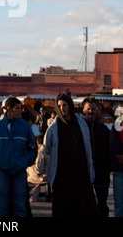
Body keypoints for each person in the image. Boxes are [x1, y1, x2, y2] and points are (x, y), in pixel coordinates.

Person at [43, 89, 98, 217]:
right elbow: (46, 150)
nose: (62, 108)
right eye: (60, 105)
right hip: (61, 175)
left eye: (65, 105)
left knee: (84, 207)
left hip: (81, 173)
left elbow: (87, 146)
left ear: (70, 105)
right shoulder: (53, 128)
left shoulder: (80, 123)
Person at [0, 97, 37, 217]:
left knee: (20, 206)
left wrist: (26, 162)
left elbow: (32, 147)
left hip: (20, 172)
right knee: (1, 207)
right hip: (2, 172)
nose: (20, 111)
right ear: (8, 109)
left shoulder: (25, 126)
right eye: (17, 108)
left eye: (21, 108)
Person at [81, 97, 111, 217]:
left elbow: (109, 149)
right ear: (83, 110)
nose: (91, 111)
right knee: (86, 203)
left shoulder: (103, 129)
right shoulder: (79, 129)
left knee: (102, 203)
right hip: (84, 171)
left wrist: (107, 167)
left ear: (97, 110)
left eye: (93, 109)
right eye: (88, 109)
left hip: (101, 171)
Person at [27, 135, 50, 202]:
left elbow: (38, 170)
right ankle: (34, 197)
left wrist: (29, 167)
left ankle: (33, 198)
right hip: (48, 174)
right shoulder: (48, 150)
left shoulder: (40, 153)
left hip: (44, 176)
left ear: (37, 143)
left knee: (28, 179)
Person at [109, 109, 123, 217]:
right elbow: (115, 145)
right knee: (119, 207)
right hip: (120, 171)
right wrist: (119, 155)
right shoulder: (118, 124)